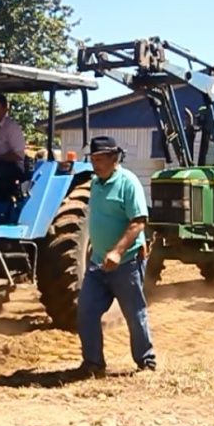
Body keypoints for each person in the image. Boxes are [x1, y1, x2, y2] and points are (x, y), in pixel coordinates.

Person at [76, 135, 156, 377]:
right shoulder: (95, 184)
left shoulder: (128, 183)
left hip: (127, 263)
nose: (95, 163)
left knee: (134, 313)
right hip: (98, 263)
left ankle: (146, 362)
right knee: (86, 311)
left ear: (114, 158)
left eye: (100, 159)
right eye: (93, 159)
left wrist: (117, 251)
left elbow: (139, 222)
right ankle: (93, 364)